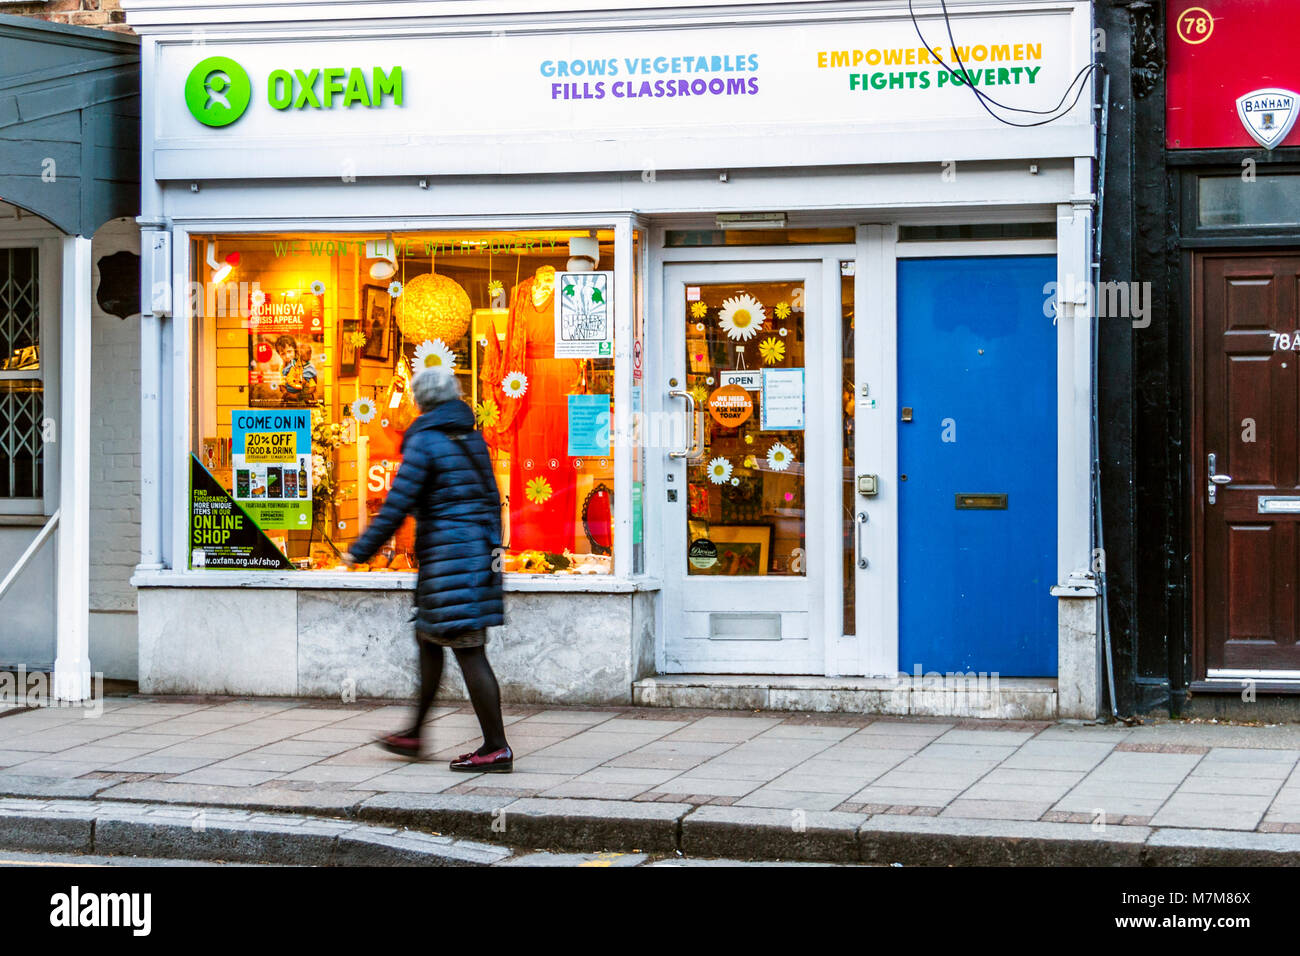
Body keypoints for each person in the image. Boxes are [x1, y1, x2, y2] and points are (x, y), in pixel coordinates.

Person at [343, 366, 512, 771]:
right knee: (430, 641)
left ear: (421, 400)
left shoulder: (425, 441)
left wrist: (360, 550)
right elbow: (493, 500)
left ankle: (496, 747)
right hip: (473, 559)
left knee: (470, 651)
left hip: (452, 562)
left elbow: (398, 502)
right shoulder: (471, 437)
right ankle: (415, 734)